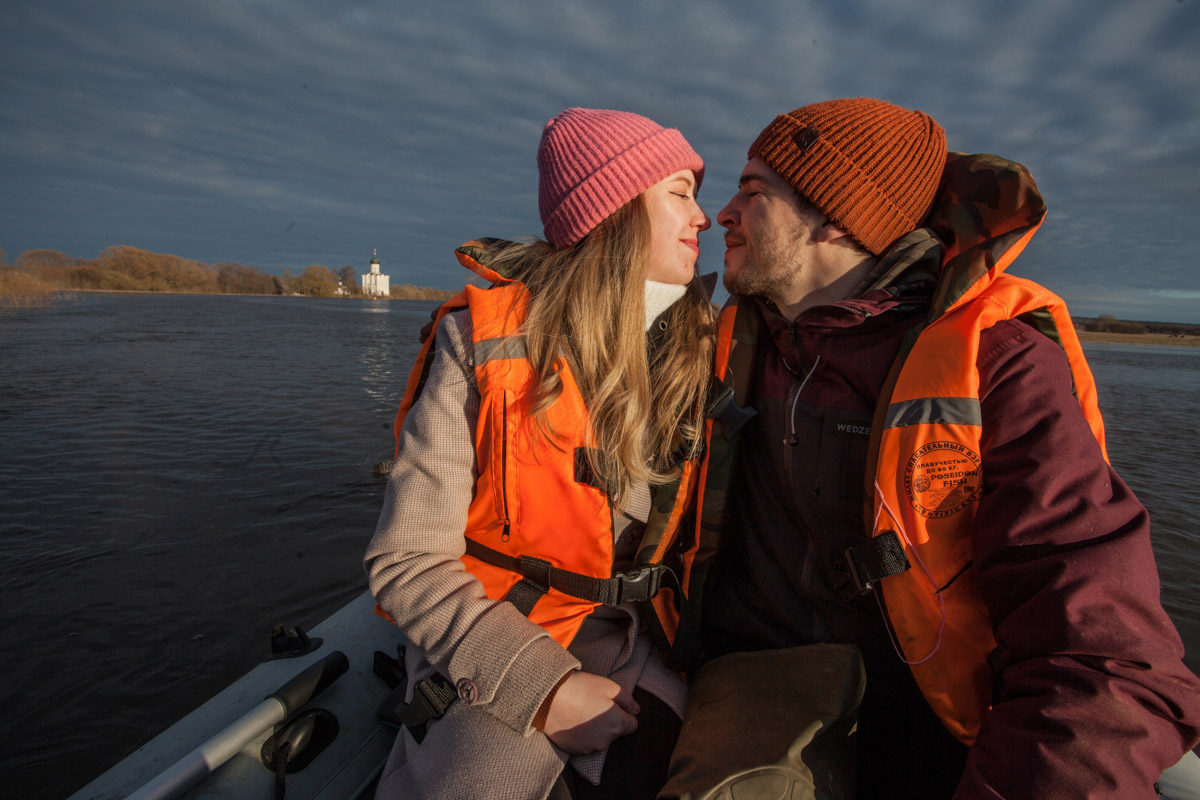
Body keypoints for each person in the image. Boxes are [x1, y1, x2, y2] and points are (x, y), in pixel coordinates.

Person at [672, 98, 1200, 798]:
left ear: (836, 217)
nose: (722, 214)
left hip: (924, 719)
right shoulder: (718, 343)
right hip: (744, 683)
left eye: (753, 190)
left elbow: (1103, 653)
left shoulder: (996, 364)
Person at [365, 107, 714, 800]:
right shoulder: (479, 347)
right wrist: (544, 688)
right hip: (491, 637)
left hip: (625, 640)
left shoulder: (703, 352)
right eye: (680, 191)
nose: (703, 216)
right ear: (613, 211)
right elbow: (406, 563)